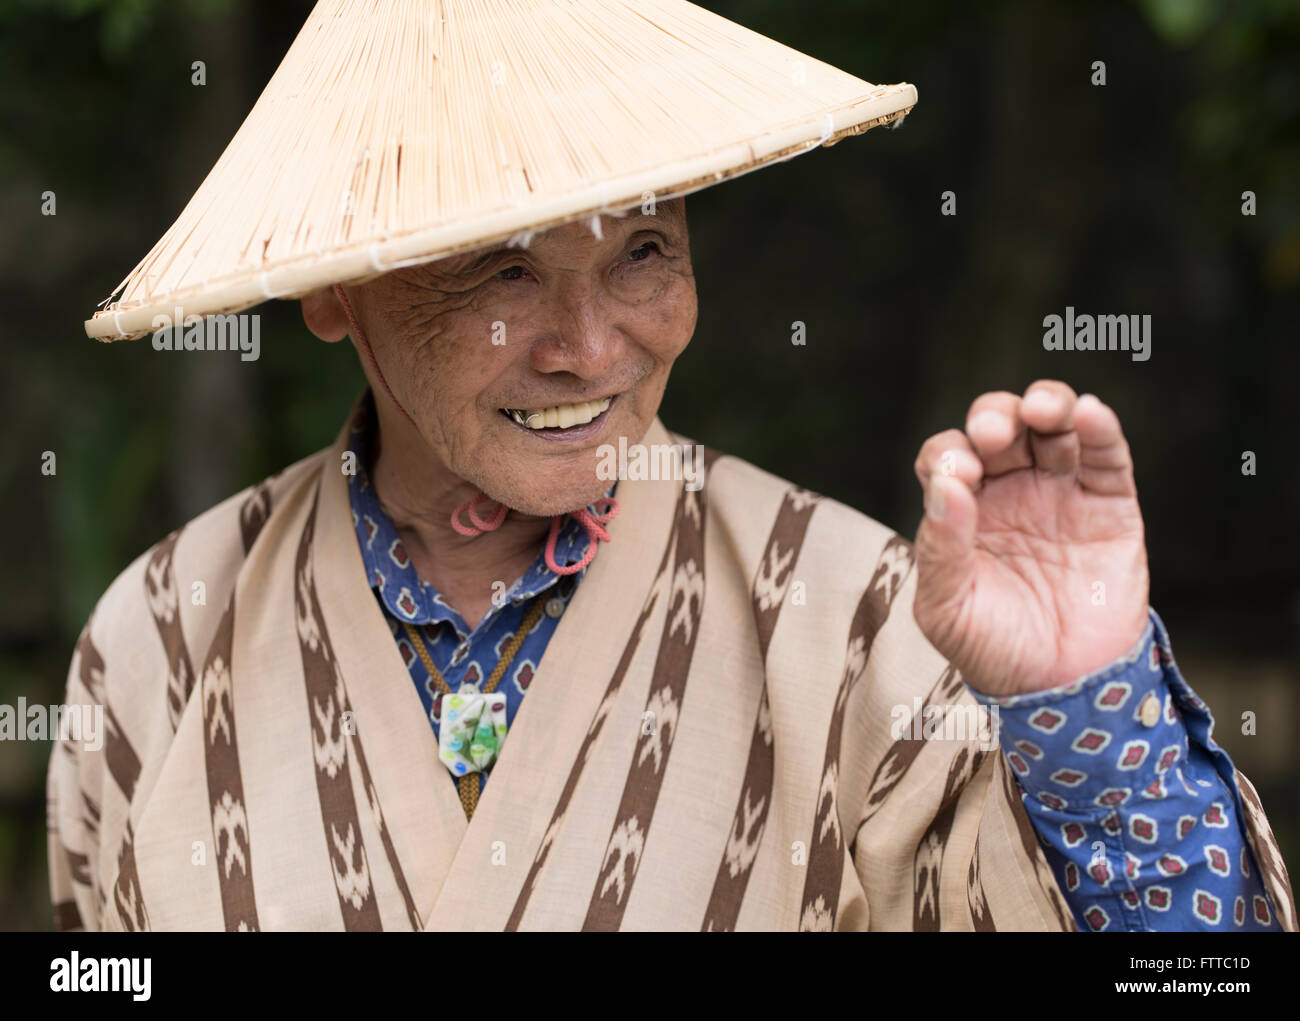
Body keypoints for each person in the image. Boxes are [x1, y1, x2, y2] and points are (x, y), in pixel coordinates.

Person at [49, 0, 1294, 931]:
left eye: (644, 249)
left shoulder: (850, 611)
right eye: (502, 268)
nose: (591, 348)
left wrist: (1089, 697)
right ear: (335, 288)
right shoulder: (161, 636)